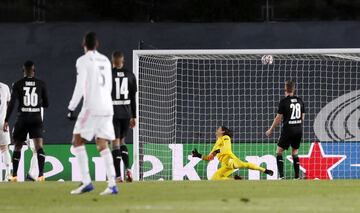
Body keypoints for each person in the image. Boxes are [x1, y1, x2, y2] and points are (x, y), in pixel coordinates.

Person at [67, 32, 118, 195]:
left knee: (77, 140)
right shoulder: (105, 60)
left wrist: (71, 107)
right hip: (107, 106)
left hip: (92, 107)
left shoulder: (82, 61)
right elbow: (109, 85)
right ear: (97, 44)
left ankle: (87, 181)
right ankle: (112, 184)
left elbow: (80, 84)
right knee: (102, 143)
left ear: (84, 44)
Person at [3, 61, 49, 182]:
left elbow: (12, 103)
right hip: (36, 118)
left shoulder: (17, 84)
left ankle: (14, 176)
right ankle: (40, 175)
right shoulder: (41, 84)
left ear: (23, 71)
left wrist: (6, 119)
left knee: (17, 146)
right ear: (34, 70)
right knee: (39, 147)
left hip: (23, 118)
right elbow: (46, 104)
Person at [192, 126, 273, 180]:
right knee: (215, 178)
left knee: (244, 165)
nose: (216, 130)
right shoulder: (216, 144)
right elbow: (209, 158)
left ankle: (265, 170)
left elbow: (227, 150)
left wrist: (217, 151)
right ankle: (235, 180)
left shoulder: (225, 137)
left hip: (231, 160)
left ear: (222, 131)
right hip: (225, 165)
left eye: (218, 129)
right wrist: (198, 155)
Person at [265, 80, 305, 179]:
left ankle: (282, 176)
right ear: (294, 89)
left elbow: (278, 118)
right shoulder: (300, 101)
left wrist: (270, 130)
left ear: (285, 89)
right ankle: (297, 177)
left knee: (279, 151)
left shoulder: (284, 102)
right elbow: (302, 117)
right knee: (295, 152)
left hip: (288, 129)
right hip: (298, 129)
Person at [110, 51, 137, 182]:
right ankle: (128, 169)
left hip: (113, 114)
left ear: (112, 61)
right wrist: (134, 116)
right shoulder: (130, 75)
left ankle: (118, 176)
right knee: (123, 142)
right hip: (126, 114)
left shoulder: (108, 75)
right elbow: (132, 97)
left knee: (115, 144)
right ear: (123, 61)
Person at [0, 82, 12, 180]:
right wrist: (6, 119)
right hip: (2, 122)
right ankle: (8, 174)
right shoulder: (4, 87)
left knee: (4, 148)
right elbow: (9, 104)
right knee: (4, 148)